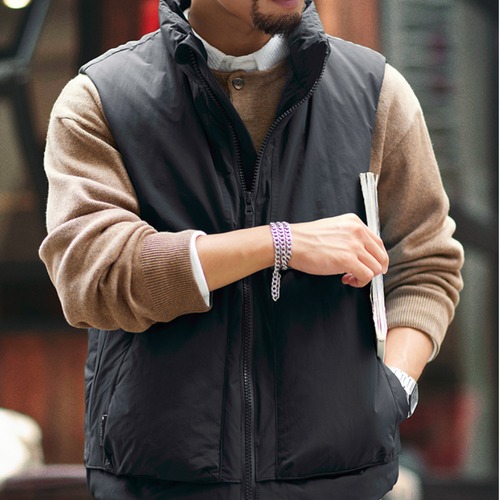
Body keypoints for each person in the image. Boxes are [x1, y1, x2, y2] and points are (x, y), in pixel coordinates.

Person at [39, 0, 464, 498]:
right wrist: (278, 243)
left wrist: (392, 389)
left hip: (340, 481)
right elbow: (95, 276)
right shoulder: (102, 98)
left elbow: (426, 263)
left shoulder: (375, 93)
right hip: (156, 482)